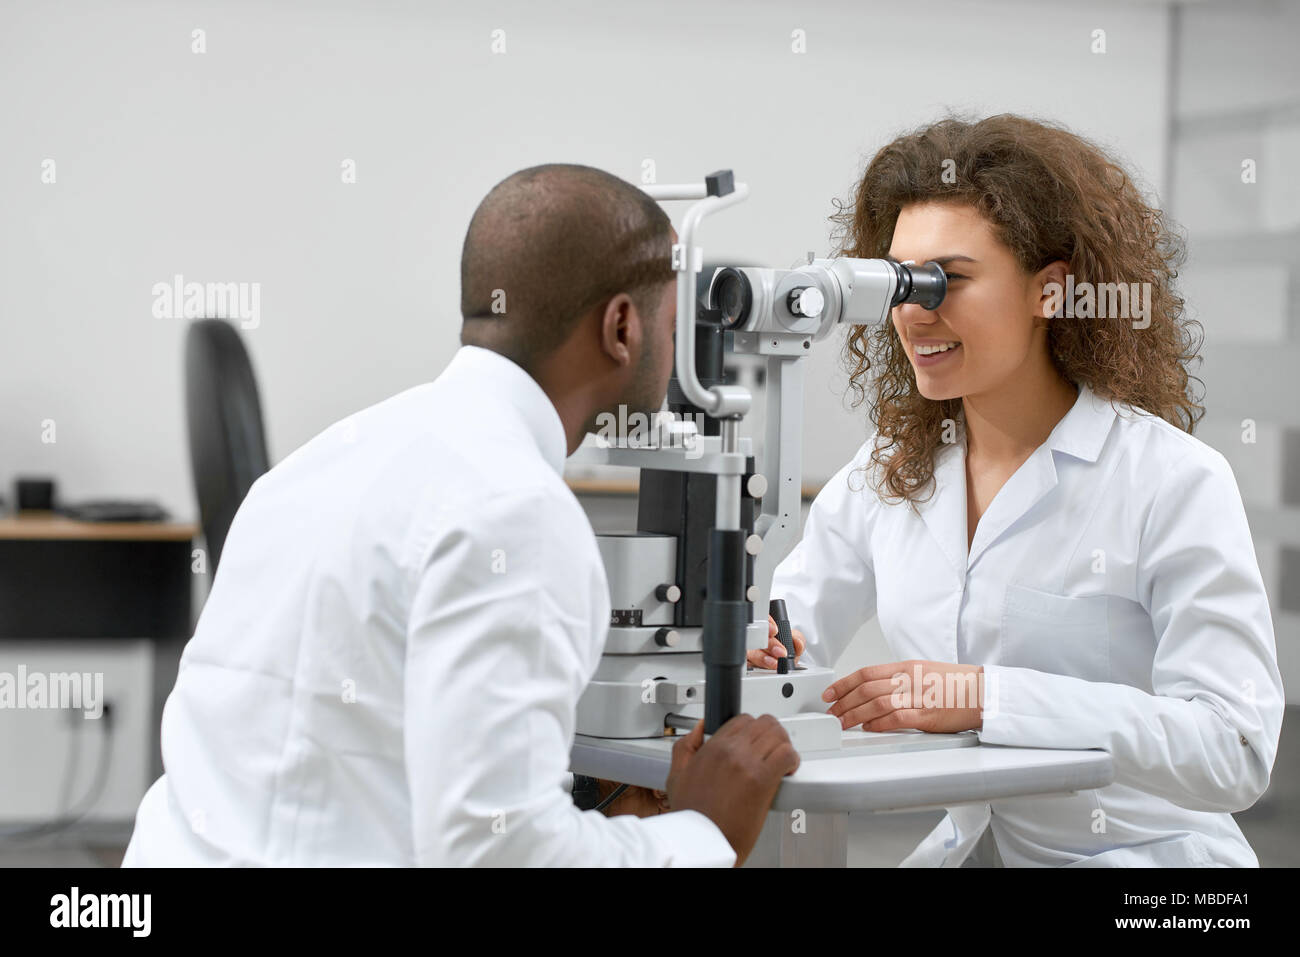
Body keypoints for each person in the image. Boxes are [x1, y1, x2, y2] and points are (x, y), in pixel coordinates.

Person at [123, 163, 798, 867]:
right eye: (671, 320)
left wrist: (603, 812)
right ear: (622, 325)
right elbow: (495, 851)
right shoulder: (519, 510)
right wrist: (701, 832)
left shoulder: (317, 461)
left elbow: (373, 760)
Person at [753, 114, 1283, 867]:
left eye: (948, 279)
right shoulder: (892, 469)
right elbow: (788, 642)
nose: (913, 309)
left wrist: (987, 694)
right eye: (898, 278)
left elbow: (1233, 752)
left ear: (1051, 290)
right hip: (975, 848)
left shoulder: (1172, 480)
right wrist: (754, 656)